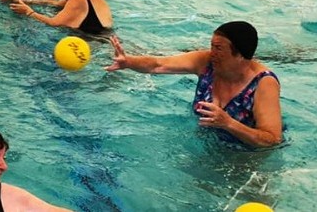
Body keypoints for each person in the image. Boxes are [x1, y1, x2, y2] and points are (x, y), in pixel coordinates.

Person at [106, 21, 282, 147]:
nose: (212, 53)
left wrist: (228, 123)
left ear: (241, 55)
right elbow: (159, 64)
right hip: (205, 145)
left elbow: (272, 139)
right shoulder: (206, 62)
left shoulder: (264, 83)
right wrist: (128, 62)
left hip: (246, 157)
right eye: (212, 46)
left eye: (219, 48)